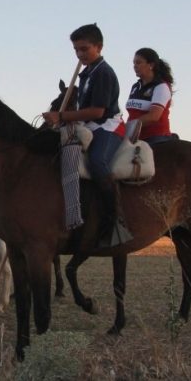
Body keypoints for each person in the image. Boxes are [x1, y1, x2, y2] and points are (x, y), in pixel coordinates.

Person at [42, 23, 127, 247]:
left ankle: (114, 220)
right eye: (76, 50)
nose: (80, 54)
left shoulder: (104, 73)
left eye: (84, 49)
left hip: (107, 126)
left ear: (99, 47)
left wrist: (62, 117)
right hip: (89, 126)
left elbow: (98, 111)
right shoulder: (86, 73)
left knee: (98, 162)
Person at [126, 47, 177, 145]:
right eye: (134, 63)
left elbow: (154, 116)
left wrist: (127, 126)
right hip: (134, 137)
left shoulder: (161, 86)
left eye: (139, 63)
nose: (135, 66)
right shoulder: (136, 87)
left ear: (151, 65)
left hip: (155, 138)